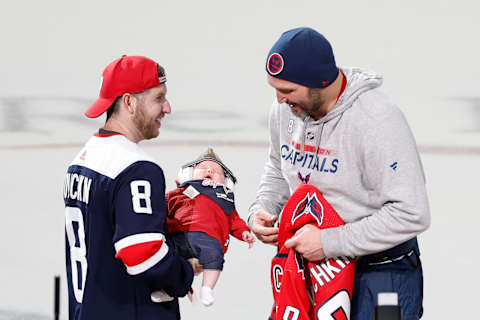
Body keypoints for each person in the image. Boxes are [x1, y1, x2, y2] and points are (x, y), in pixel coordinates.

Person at [248, 27, 430, 320]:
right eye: (275, 89)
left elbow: (412, 212)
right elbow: (278, 166)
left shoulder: (376, 121)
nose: (279, 99)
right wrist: (263, 209)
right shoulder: (285, 109)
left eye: (287, 90)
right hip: (314, 267)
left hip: (381, 270)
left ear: (319, 83)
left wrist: (329, 242)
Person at [63, 55, 194, 320]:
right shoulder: (136, 168)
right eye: (158, 98)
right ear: (129, 102)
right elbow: (140, 252)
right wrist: (185, 271)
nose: (167, 107)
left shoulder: (81, 161)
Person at [165, 147, 255, 306]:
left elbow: (235, 220)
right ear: (186, 175)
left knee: (215, 256)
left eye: (216, 171)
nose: (209, 170)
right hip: (179, 233)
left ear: (227, 183)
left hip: (208, 238)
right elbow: (160, 210)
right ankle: (166, 288)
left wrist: (244, 233)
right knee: (168, 258)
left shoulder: (224, 199)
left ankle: (207, 288)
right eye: (202, 168)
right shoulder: (176, 194)